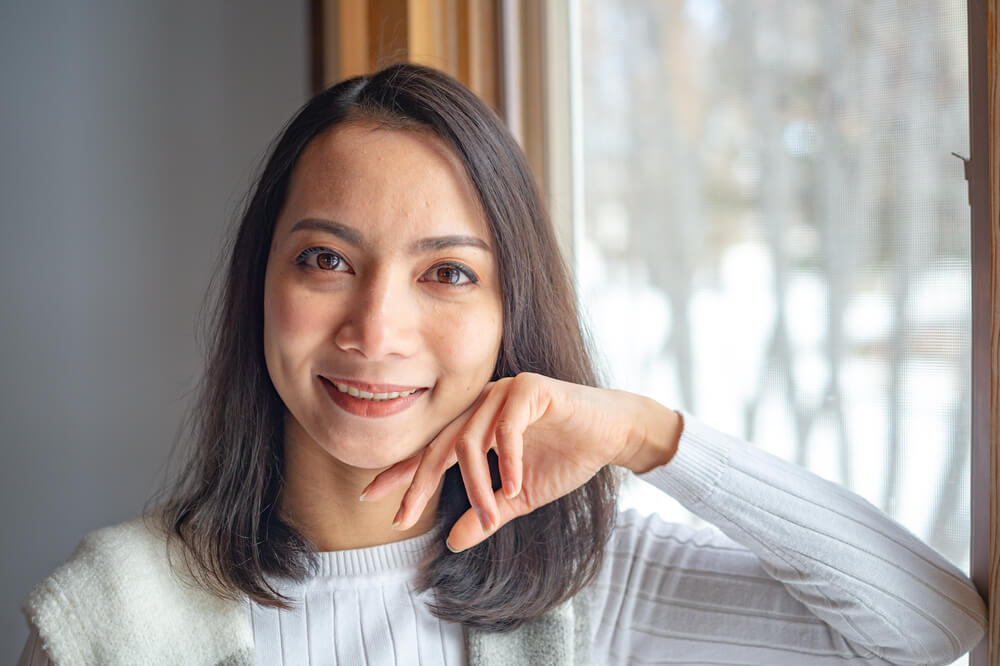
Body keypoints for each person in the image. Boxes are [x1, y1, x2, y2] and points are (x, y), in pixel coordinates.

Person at [19, 63, 985, 666]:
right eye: (326, 260)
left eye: (446, 272)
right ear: (258, 285)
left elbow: (930, 628)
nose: (376, 327)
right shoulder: (116, 615)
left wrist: (646, 435)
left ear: (507, 316)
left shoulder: (590, 591)